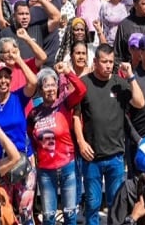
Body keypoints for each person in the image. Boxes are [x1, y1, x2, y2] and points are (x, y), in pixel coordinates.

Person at [75, 44, 145, 225]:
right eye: (104, 61)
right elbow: (75, 116)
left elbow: (139, 102)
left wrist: (130, 76)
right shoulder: (84, 83)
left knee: (116, 204)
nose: (108, 65)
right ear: (95, 61)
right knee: (92, 204)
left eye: (111, 62)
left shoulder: (119, 83)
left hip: (116, 156)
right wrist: (81, 142)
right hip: (92, 156)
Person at [27, 63, 87, 225]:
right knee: (48, 216)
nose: (51, 89)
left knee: (70, 214)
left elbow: (81, 90)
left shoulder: (64, 104)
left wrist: (68, 72)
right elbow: (31, 138)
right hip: (46, 171)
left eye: (53, 85)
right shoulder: (33, 114)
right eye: (46, 86)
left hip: (68, 166)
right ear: (40, 90)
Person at [0, 58, 37, 225]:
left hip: (23, 160)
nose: (3, 81)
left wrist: (18, 59)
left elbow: (33, 82)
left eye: (6, 77)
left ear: (11, 80)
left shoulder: (18, 97)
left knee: (25, 210)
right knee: (5, 210)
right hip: (1, 163)